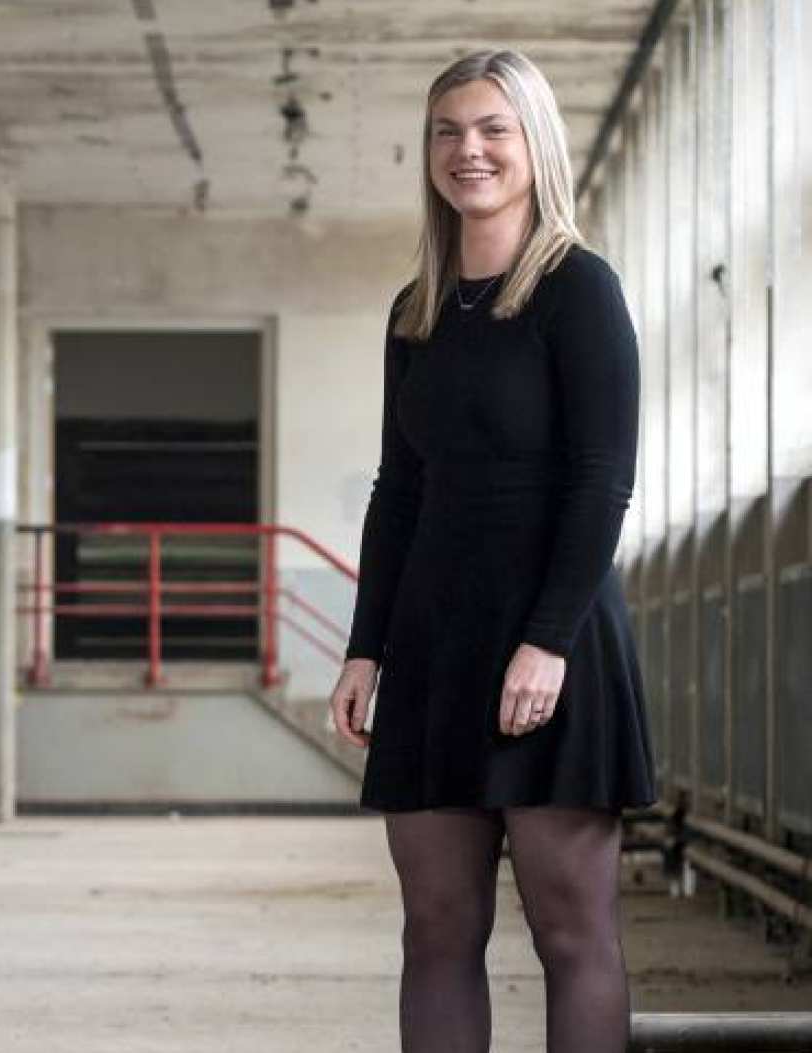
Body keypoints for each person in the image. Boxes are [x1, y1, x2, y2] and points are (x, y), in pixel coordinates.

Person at [328, 49, 655, 1053]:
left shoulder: (575, 290)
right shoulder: (413, 313)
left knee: (569, 932)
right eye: (445, 131)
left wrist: (545, 641)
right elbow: (399, 492)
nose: (465, 151)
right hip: (431, 648)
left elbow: (600, 478)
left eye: (490, 130)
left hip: (548, 644)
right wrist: (362, 647)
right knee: (434, 929)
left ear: (531, 146)